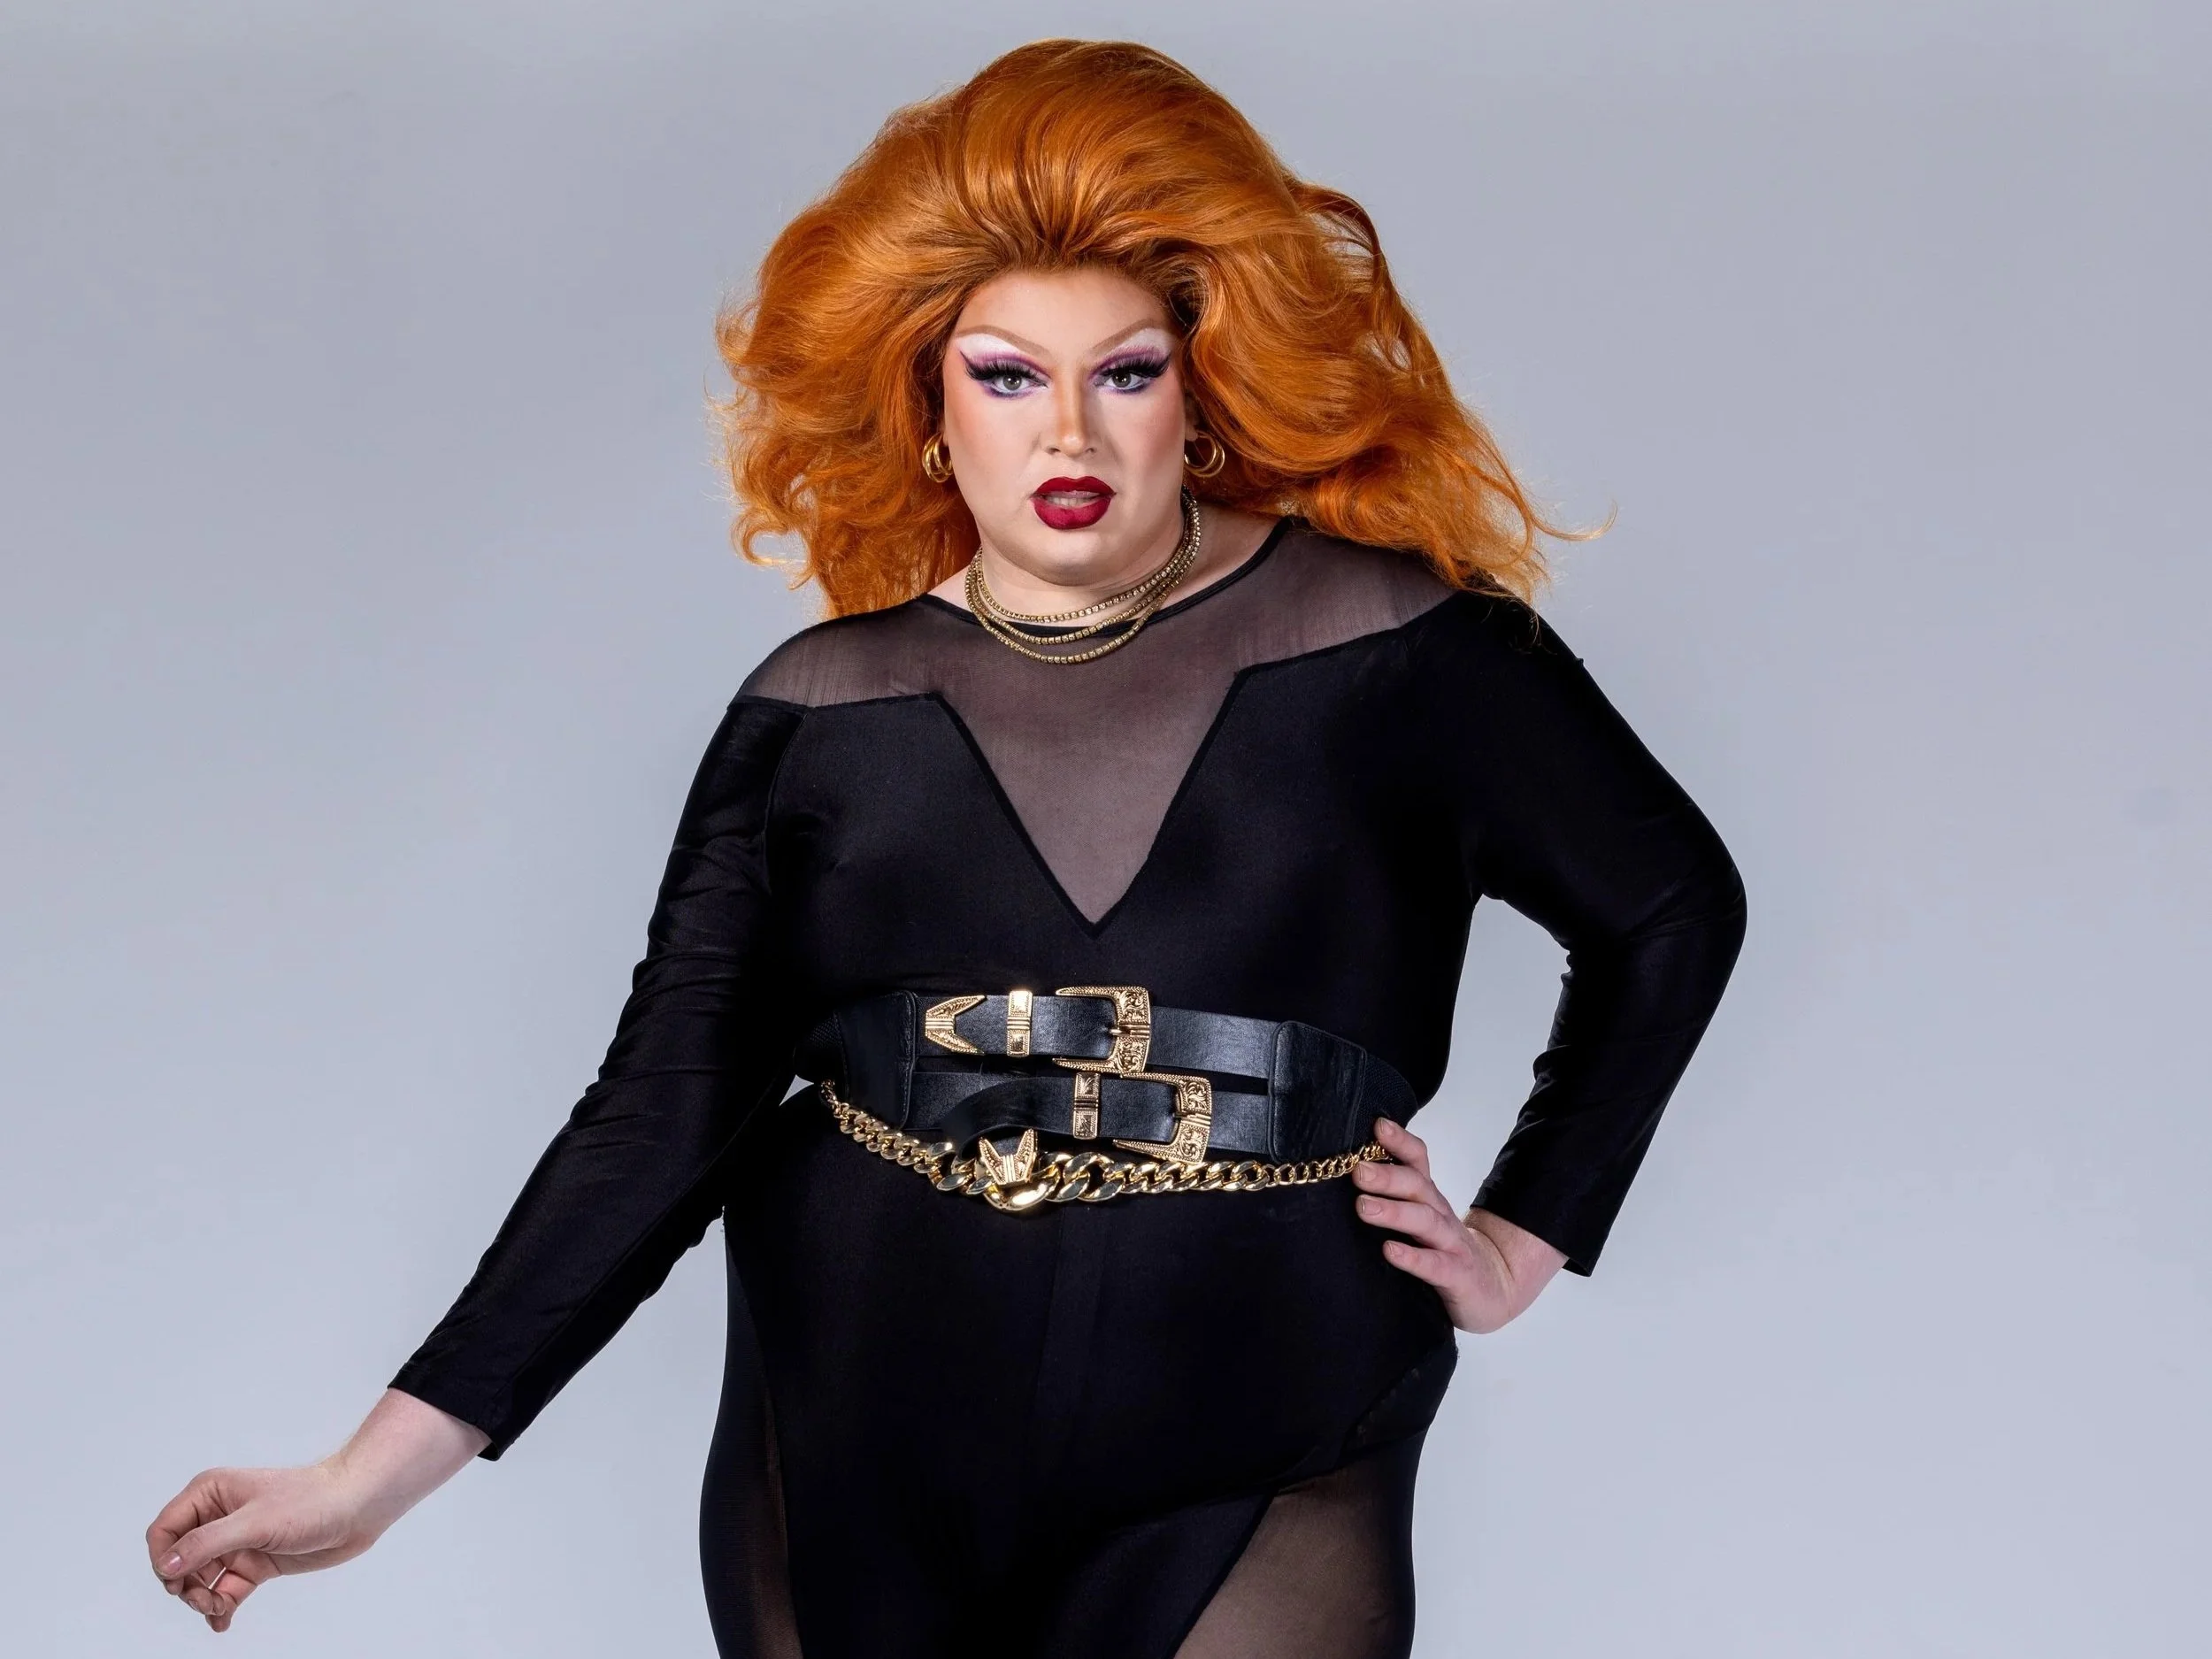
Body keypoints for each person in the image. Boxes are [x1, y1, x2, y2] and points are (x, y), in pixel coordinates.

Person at [146, 39, 1746, 1658]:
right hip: (854, 1423)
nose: (1072, 435)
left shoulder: (1405, 651)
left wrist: (1525, 1235)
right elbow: (660, 1114)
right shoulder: (821, 709)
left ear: (1200, 392)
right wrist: (368, 1479)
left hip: (1273, 1415)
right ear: (926, 404)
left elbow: (1673, 909)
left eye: (1127, 372)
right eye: (1007, 375)